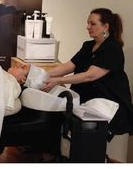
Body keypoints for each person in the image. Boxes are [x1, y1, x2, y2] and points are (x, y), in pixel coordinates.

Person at [41, 8, 133, 136]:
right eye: (88, 23)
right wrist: (44, 74)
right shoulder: (88, 46)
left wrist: (59, 80)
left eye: (92, 23)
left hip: (106, 103)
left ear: (105, 27)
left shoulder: (112, 49)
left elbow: (90, 75)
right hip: (86, 98)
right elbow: (69, 65)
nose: (87, 27)